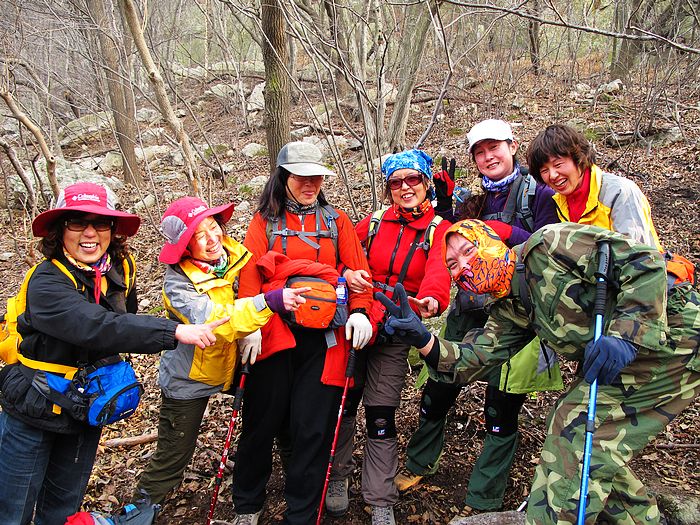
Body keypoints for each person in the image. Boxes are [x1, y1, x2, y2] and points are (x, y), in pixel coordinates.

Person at [378, 219, 700, 525]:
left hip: (675, 337)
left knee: (574, 426)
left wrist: (626, 332)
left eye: (468, 250)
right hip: (630, 360)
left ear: (492, 241)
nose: (463, 266)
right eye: (453, 265)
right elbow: (472, 359)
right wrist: (423, 339)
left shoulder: (548, 245)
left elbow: (642, 260)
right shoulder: (509, 307)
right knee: (577, 428)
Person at [0, 182, 229, 525]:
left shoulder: (117, 268)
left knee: (63, 509)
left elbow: (120, 324)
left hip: (83, 407)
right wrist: (174, 330)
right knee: (13, 512)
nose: (90, 233)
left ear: (113, 230)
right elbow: (99, 325)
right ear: (60, 230)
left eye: (101, 223)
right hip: (34, 409)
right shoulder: (45, 282)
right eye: (78, 222)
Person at [395, 119, 560, 517]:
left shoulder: (540, 195)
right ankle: (420, 462)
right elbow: (452, 242)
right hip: (468, 310)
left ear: (512, 146)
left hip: (521, 318)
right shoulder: (477, 200)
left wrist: (506, 233)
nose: (488, 157)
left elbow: (551, 247)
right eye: (480, 152)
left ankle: (483, 497)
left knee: (500, 409)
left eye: (495, 148)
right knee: (437, 389)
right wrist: (447, 206)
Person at [230, 141, 374, 525]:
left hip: (326, 340)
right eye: (301, 176)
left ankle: (302, 512)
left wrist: (360, 312)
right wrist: (249, 326)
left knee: (313, 428)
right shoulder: (263, 222)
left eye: (316, 177)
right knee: (261, 423)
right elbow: (249, 277)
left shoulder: (336, 221)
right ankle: (247, 503)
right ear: (283, 178)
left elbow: (360, 275)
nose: (310, 183)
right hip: (274, 333)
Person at [134, 196, 309, 505]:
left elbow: (255, 285)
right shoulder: (177, 284)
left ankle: (298, 475)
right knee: (174, 453)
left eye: (213, 227)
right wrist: (265, 305)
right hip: (190, 376)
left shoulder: (238, 258)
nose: (212, 239)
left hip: (237, 363)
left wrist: (255, 322)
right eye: (199, 236)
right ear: (185, 246)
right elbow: (216, 320)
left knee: (277, 409)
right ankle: (140, 509)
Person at [325, 149, 452, 525]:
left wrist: (432, 300)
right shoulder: (375, 222)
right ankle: (336, 477)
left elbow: (438, 272)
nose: (404, 188)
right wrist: (347, 275)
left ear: (426, 182)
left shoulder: (437, 228)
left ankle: (380, 496)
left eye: (412, 180)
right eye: (396, 182)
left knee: (381, 413)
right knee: (344, 403)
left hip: (396, 327)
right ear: (388, 188)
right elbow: (342, 253)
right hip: (357, 320)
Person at [527, 123, 661, 250]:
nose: (553, 175)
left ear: (578, 158)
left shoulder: (620, 192)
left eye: (558, 165)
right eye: (544, 171)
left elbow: (637, 255)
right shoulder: (560, 201)